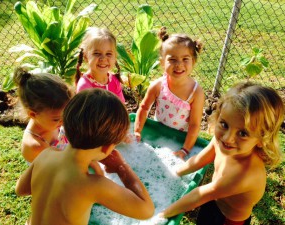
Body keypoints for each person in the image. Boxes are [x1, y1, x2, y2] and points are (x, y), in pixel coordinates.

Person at [15, 88, 155, 225]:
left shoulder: (46, 154)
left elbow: (20, 189)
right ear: (107, 148)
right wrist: (121, 167)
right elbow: (146, 210)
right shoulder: (93, 185)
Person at [153, 82, 284, 225]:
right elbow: (200, 160)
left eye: (243, 133)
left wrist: (163, 214)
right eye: (224, 124)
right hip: (214, 202)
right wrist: (174, 173)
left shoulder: (245, 173)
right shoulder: (220, 140)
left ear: (261, 139)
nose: (228, 138)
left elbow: (201, 195)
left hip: (230, 220)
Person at [134, 27, 204, 158]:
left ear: (193, 62)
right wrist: (137, 131)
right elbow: (143, 108)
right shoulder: (158, 85)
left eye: (185, 59)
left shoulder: (196, 92)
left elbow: (194, 125)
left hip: (180, 139)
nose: (179, 64)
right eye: (172, 60)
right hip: (158, 133)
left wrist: (185, 150)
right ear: (162, 62)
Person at [13, 67, 73, 163]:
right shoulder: (35, 146)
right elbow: (59, 170)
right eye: (56, 119)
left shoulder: (52, 121)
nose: (64, 121)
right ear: (33, 114)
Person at [75, 27, 125, 102]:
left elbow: (121, 107)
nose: (103, 58)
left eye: (108, 54)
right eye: (97, 53)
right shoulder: (85, 86)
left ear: (115, 56)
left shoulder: (114, 81)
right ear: (86, 56)